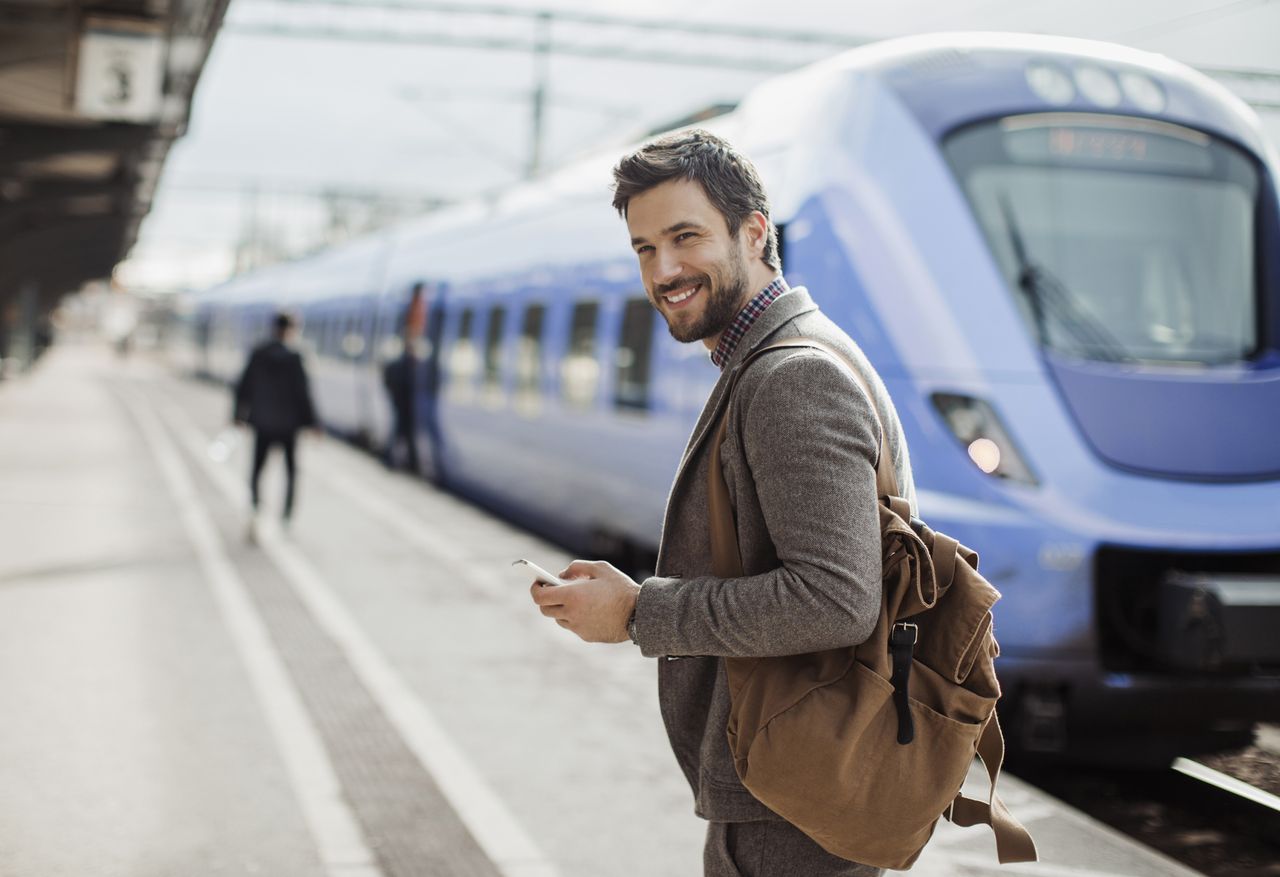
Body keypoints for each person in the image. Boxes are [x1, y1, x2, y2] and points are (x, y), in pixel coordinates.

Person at [527, 130, 917, 877]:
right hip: (795, 782)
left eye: (685, 237)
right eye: (644, 248)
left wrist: (641, 613)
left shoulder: (792, 376)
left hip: (791, 801)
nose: (664, 270)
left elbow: (837, 599)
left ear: (753, 232)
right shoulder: (789, 352)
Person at [233, 311, 318, 541]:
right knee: (291, 472)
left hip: (262, 423)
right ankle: (287, 515)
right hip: (289, 426)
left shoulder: (258, 353)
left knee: (257, 470)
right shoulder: (295, 357)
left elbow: (243, 386)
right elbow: (303, 393)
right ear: (290, 330)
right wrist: (313, 423)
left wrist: (238, 416)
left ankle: (254, 508)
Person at [382, 285, 425, 472]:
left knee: (401, 433)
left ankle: (406, 462)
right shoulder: (402, 363)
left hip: (402, 404)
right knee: (402, 433)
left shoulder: (400, 362)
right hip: (403, 404)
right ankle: (402, 462)